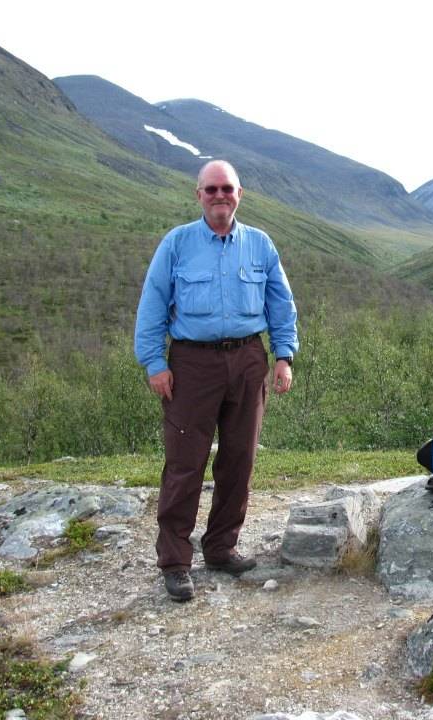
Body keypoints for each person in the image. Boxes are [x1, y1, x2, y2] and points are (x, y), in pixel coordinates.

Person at [134, 160, 298, 602]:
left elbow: (281, 304)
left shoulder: (260, 244)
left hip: (248, 359)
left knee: (239, 459)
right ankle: (175, 562)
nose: (220, 195)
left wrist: (283, 356)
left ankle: (221, 548)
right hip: (191, 364)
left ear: (239, 194)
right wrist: (154, 363)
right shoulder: (177, 243)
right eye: (211, 189)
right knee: (184, 463)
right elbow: (152, 304)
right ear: (198, 195)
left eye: (227, 188)